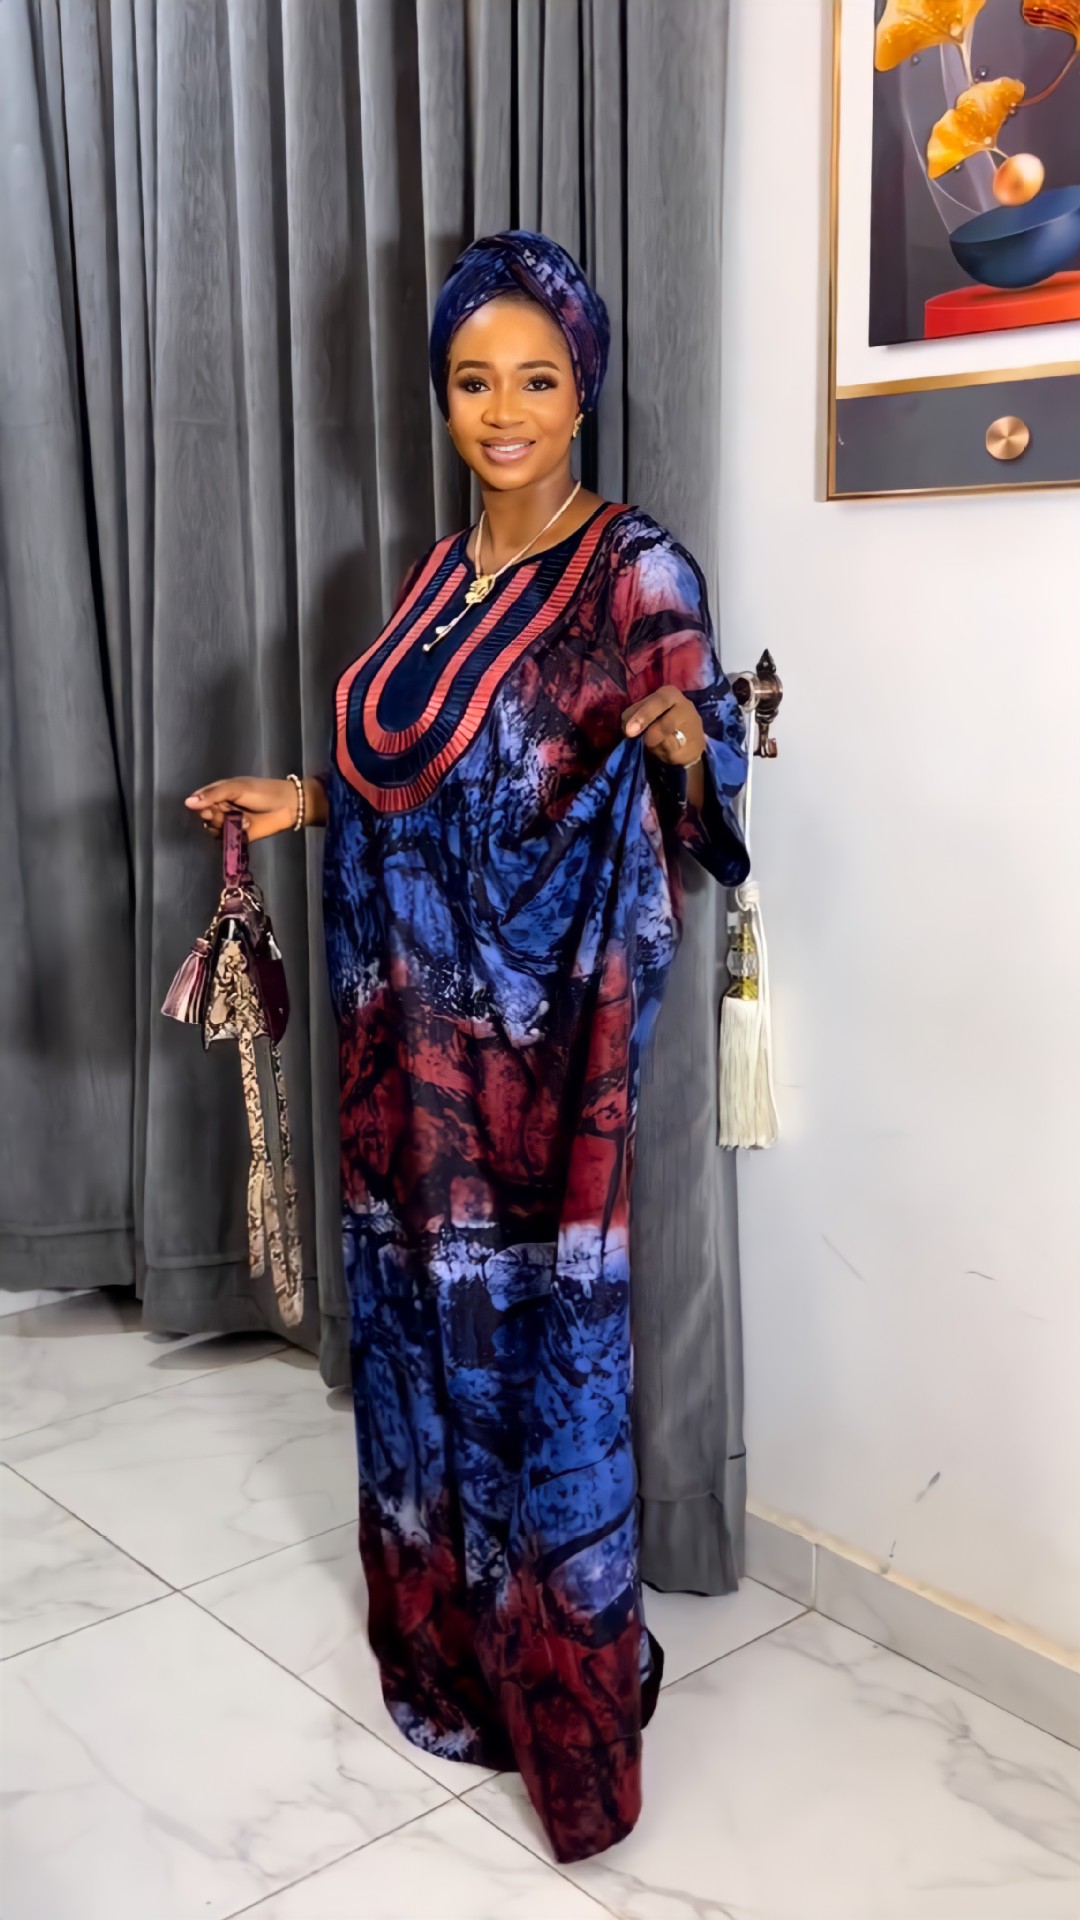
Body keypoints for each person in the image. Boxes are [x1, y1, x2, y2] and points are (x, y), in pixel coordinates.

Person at [185, 230, 749, 1864]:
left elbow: (704, 744)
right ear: (442, 395)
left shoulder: (637, 569)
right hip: (400, 1067)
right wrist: (303, 799)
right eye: (474, 380)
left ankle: (568, 1702)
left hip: (536, 1078)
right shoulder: (440, 578)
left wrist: (686, 743)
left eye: (538, 381)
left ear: (586, 392)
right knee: (422, 1350)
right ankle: (448, 1656)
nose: (505, 413)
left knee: (534, 1359)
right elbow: (419, 773)